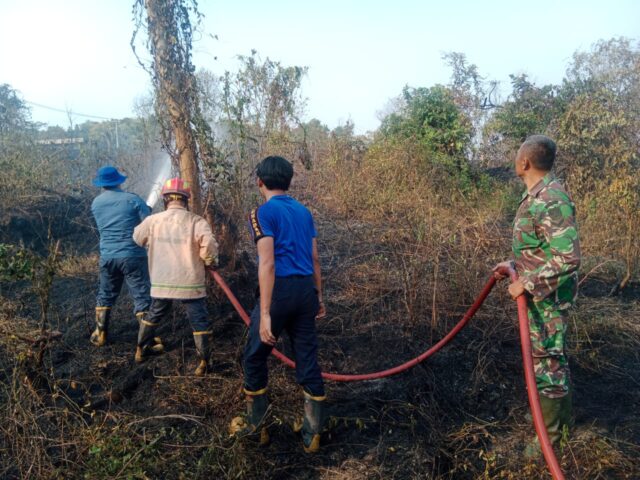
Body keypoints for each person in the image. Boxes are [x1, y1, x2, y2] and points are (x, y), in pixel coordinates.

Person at [229, 156, 327, 453]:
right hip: (305, 289)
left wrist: (266, 314)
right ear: (289, 181)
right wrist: (319, 297)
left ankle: (256, 427)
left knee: (255, 356)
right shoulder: (303, 211)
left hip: (281, 290)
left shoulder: (261, 213)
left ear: (259, 181)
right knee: (307, 359)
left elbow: (268, 262)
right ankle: (313, 434)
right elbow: (314, 258)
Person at [493, 135, 581, 456]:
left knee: (548, 363)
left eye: (517, 155)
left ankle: (551, 443)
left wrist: (526, 283)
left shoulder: (551, 199)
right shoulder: (535, 197)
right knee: (549, 359)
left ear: (525, 162)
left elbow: (567, 258)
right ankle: (560, 427)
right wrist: (514, 265)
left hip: (549, 299)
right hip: (539, 296)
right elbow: (541, 249)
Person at [132, 177, 219, 376]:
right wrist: (209, 261)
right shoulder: (197, 221)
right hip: (190, 283)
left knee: (154, 314)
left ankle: (139, 350)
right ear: (186, 200)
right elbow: (210, 247)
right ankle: (204, 362)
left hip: (162, 283)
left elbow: (137, 237)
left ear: (165, 200)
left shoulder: (153, 221)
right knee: (199, 321)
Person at [90, 165, 152, 347]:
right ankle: (147, 340)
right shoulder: (132, 199)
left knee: (105, 293)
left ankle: (100, 334)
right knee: (141, 295)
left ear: (102, 184)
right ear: (118, 181)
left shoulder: (96, 203)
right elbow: (147, 221)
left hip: (108, 256)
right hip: (132, 255)